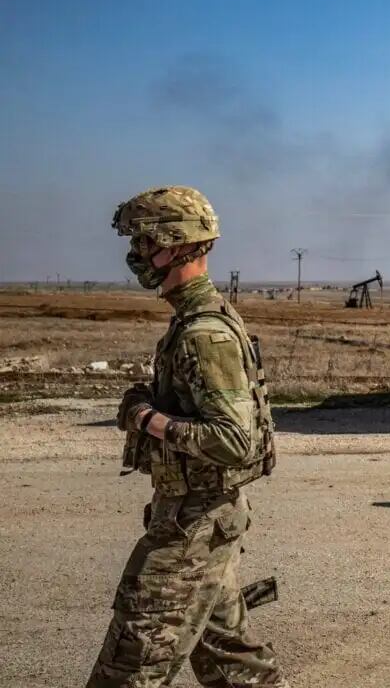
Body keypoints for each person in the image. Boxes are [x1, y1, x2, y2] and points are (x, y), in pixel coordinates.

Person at [90, 186, 286, 687]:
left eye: (144, 242)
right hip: (202, 517)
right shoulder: (196, 320)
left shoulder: (205, 332)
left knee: (129, 667)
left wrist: (143, 417)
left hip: (192, 526)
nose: (135, 255)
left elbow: (233, 440)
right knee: (233, 664)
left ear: (176, 245)